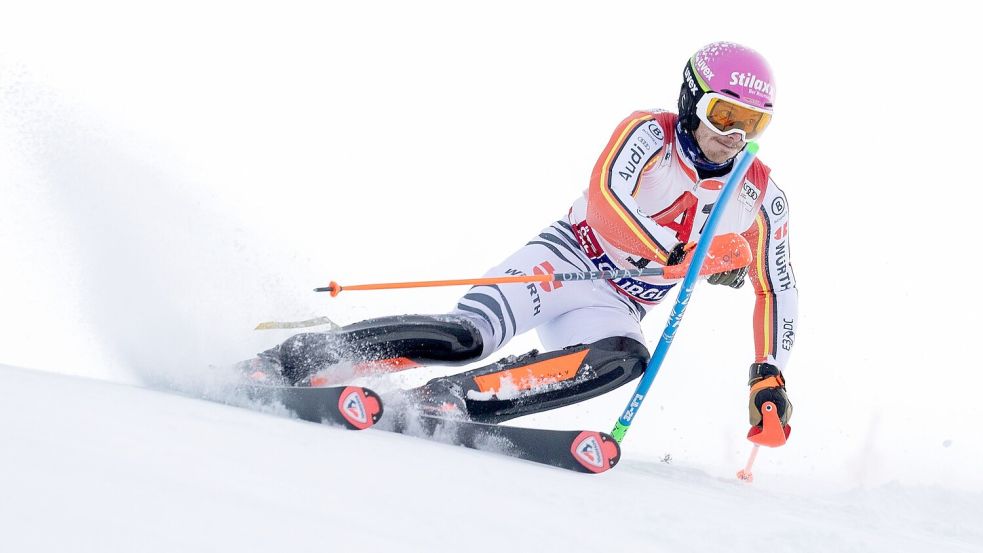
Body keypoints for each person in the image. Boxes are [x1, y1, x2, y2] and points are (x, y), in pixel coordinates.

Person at [241, 41, 797, 432]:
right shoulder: (649, 133)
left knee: (627, 357)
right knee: (468, 337)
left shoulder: (760, 195)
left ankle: (455, 400)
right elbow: (605, 202)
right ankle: (293, 359)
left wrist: (767, 375)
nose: (735, 137)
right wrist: (676, 256)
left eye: (753, 125)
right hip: (564, 261)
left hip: (621, 301)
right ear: (691, 99)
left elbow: (777, 286)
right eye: (725, 115)